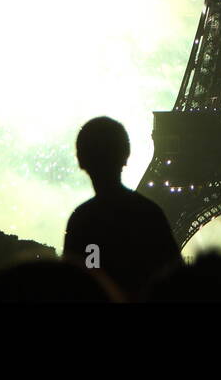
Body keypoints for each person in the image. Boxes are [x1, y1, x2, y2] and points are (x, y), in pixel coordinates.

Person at [62, 116, 181, 300]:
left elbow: (72, 286)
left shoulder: (81, 219)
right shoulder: (150, 214)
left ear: (81, 160)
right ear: (126, 155)